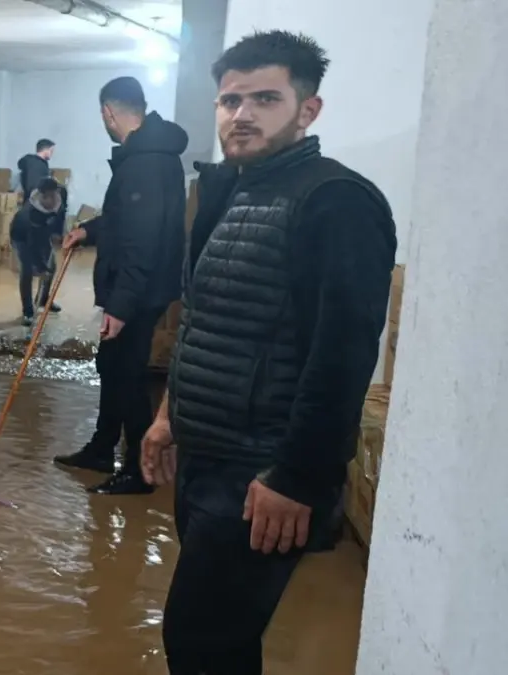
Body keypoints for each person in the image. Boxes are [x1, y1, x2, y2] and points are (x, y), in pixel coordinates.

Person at [140, 31, 396, 675]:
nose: (241, 114)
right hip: (207, 453)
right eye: (230, 100)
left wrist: (298, 479)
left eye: (264, 98)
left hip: (263, 471)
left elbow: (341, 356)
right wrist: (170, 415)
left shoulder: (336, 202)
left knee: (202, 642)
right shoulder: (228, 188)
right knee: (214, 643)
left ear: (307, 110)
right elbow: (201, 318)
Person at [55, 76, 187, 495]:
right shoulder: (148, 154)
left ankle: (137, 469)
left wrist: (121, 305)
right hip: (140, 289)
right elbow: (124, 220)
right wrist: (89, 231)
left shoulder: (145, 162)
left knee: (127, 377)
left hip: (137, 292)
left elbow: (141, 241)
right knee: (111, 368)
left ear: (108, 113)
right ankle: (101, 447)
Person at [9, 177, 68, 325]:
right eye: (46, 197)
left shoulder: (62, 195)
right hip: (22, 237)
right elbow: (33, 245)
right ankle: (28, 312)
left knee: (52, 266)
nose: (50, 200)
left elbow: (61, 215)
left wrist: (60, 234)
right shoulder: (29, 215)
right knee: (28, 270)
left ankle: (43, 300)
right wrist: (41, 267)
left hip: (42, 232)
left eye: (53, 195)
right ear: (41, 196)